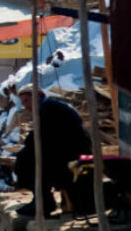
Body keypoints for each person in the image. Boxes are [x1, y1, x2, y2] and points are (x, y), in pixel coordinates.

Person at [14, 85, 91, 217]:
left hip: (72, 155)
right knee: (28, 157)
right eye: (23, 102)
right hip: (66, 152)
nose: (25, 106)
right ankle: (43, 200)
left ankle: (43, 202)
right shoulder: (47, 108)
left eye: (27, 101)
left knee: (25, 161)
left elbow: (41, 138)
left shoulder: (49, 109)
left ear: (37, 97)